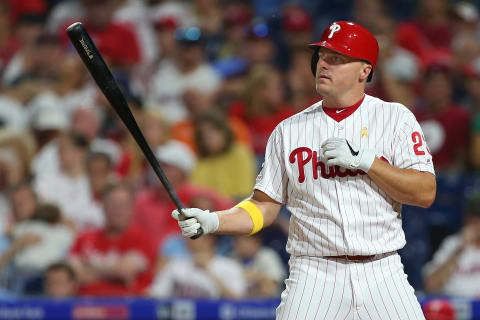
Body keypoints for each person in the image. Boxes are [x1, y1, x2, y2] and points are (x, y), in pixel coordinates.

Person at [172, 21, 436, 319]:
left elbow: (425, 192)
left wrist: (368, 162)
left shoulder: (394, 118)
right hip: (315, 274)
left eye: (337, 58)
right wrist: (213, 221)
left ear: (364, 70)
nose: (324, 64)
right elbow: (264, 206)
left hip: (382, 270)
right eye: (322, 56)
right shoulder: (289, 131)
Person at [69, 182, 156, 296]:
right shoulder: (84, 238)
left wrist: (89, 267)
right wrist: (114, 269)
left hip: (128, 307)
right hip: (86, 306)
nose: (118, 210)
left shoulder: (144, 240)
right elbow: (73, 273)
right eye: (112, 205)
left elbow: (124, 271)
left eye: (123, 205)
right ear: (103, 206)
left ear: (132, 208)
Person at [423, 193, 480, 297]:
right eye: (475, 218)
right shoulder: (452, 243)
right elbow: (431, 285)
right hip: (454, 308)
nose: (477, 223)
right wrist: (460, 250)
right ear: (468, 218)